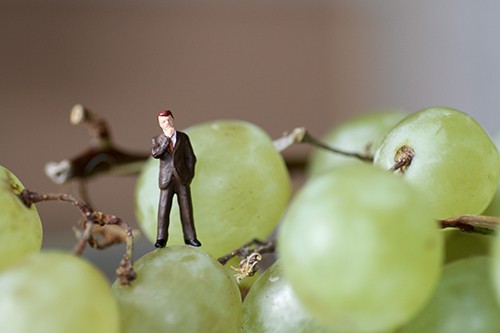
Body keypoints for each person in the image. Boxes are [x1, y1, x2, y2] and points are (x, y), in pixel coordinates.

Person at [151, 110, 201, 248]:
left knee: (186, 210)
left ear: (173, 119)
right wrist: (166, 140)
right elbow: (156, 154)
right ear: (160, 124)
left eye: (168, 120)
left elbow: (191, 158)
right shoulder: (157, 139)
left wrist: (189, 175)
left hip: (182, 179)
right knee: (163, 211)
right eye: (163, 122)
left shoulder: (183, 138)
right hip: (166, 180)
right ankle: (161, 238)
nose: (167, 123)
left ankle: (190, 237)